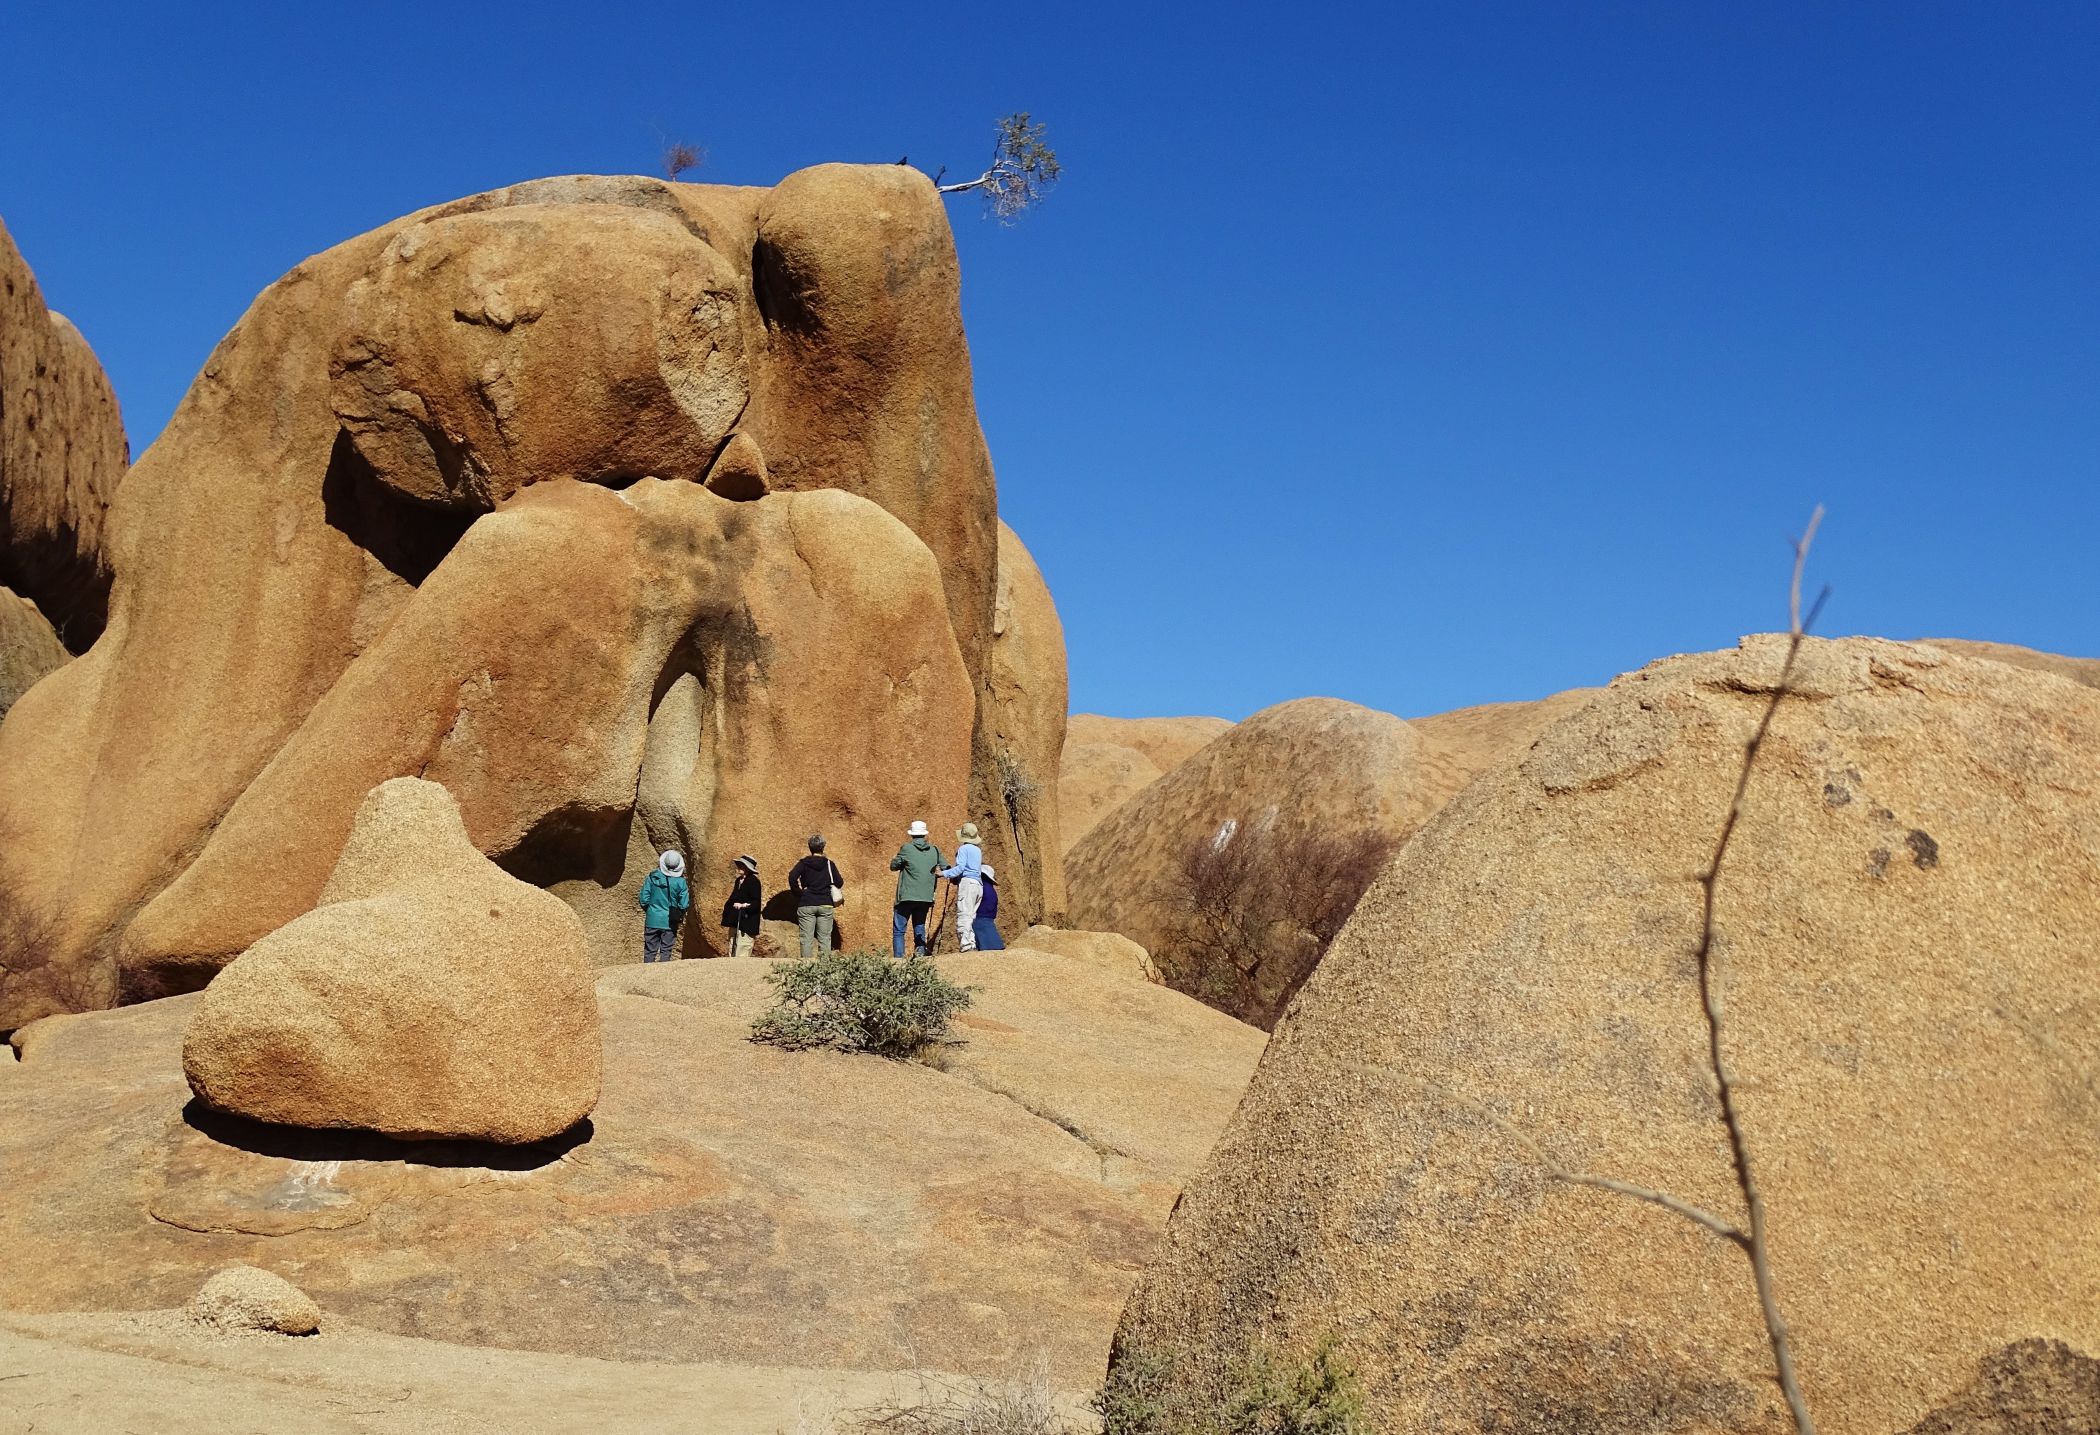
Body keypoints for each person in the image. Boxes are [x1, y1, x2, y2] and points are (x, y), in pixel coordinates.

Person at [887, 820, 945, 959]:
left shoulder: (906, 848)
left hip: (907, 896)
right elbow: (945, 866)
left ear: (912, 834)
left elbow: (893, 866)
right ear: (924, 834)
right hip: (926, 896)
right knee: (919, 925)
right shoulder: (934, 850)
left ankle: (899, 959)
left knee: (899, 929)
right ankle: (920, 954)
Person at [788, 834, 842, 959]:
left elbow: (792, 877)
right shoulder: (829, 864)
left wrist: (799, 892)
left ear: (809, 847)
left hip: (807, 903)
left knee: (806, 938)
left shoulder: (803, 863)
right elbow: (839, 882)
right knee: (824, 938)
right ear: (823, 847)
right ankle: (823, 971)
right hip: (825, 903)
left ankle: (806, 970)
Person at [939, 822, 985, 952]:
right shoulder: (977, 850)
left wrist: (943, 873)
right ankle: (971, 943)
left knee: (964, 914)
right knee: (971, 916)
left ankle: (966, 945)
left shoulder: (963, 849)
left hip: (968, 884)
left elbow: (960, 868)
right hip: (978, 884)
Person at [637, 850, 690, 963]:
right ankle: (662, 978)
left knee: (650, 951)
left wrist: (651, 911)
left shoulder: (652, 877)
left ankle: (646, 976)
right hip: (670, 921)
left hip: (652, 919)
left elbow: (643, 899)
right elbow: (684, 904)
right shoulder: (681, 882)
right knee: (666, 951)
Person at [720, 854, 762, 959]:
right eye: (739, 865)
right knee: (732, 949)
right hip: (735, 922)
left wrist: (744, 906)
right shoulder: (738, 881)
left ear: (748, 868)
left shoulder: (754, 882)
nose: (739, 867)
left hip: (746, 926)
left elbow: (756, 903)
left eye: (742, 865)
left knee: (742, 951)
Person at [972, 864, 1007, 951]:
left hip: (979, 920)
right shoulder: (991, 890)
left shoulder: (981, 887)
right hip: (988, 921)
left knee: (989, 949)